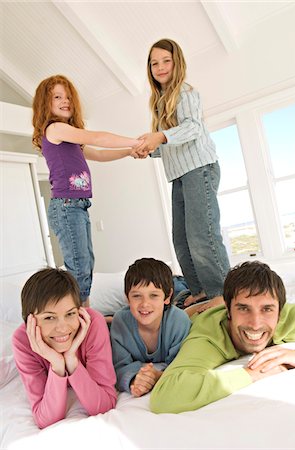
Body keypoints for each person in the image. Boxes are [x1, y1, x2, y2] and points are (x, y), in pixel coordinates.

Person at [135, 39, 230, 313]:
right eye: (154, 63)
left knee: (202, 234)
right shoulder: (159, 101)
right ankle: (200, 290)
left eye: (166, 60)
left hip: (199, 168)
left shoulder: (186, 93)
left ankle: (222, 292)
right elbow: (169, 145)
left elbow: (192, 129)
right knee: (181, 238)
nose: (160, 67)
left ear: (177, 63)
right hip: (179, 173)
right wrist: (148, 149)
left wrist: (159, 137)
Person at [32, 74, 142, 306]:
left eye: (69, 97)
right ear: (45, 103)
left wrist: (128, 152)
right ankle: (81, 315)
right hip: (66, 205)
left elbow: (99, 155)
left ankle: (84, 312)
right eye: (58, 97)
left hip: (78, 205)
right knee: (79, 267)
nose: (66, 101)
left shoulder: (69, 139)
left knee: (85, 264)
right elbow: (97, 138)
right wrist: (134, 142)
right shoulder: (55, 129)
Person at [150, 261, 295, 413]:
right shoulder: (207, 338)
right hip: (184, 305)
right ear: (228, 310)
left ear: (280, 311)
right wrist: (251, 374)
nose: (255, 324)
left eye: (267, 309)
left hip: (210, 302)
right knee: (175, 287)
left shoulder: (286, 315)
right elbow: (164, 396)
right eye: (243, 308)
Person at [12, 267, 117, 429]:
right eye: (49, 317)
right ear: (30, 321)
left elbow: (104, 405)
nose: (62, 328)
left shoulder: (93, 323)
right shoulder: (22, 341)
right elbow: (45, 419)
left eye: (70, 314)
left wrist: (71, 360)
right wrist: (57, 364)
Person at [110, 258, 191, 397]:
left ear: (167, 296)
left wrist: (158, 376)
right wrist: (135, 380)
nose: (145, 304)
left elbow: (182, 365)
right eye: (136, 296)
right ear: (127, 298)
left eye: (153, 295)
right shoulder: (120, 322)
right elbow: (119, 367)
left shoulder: (178, 321)